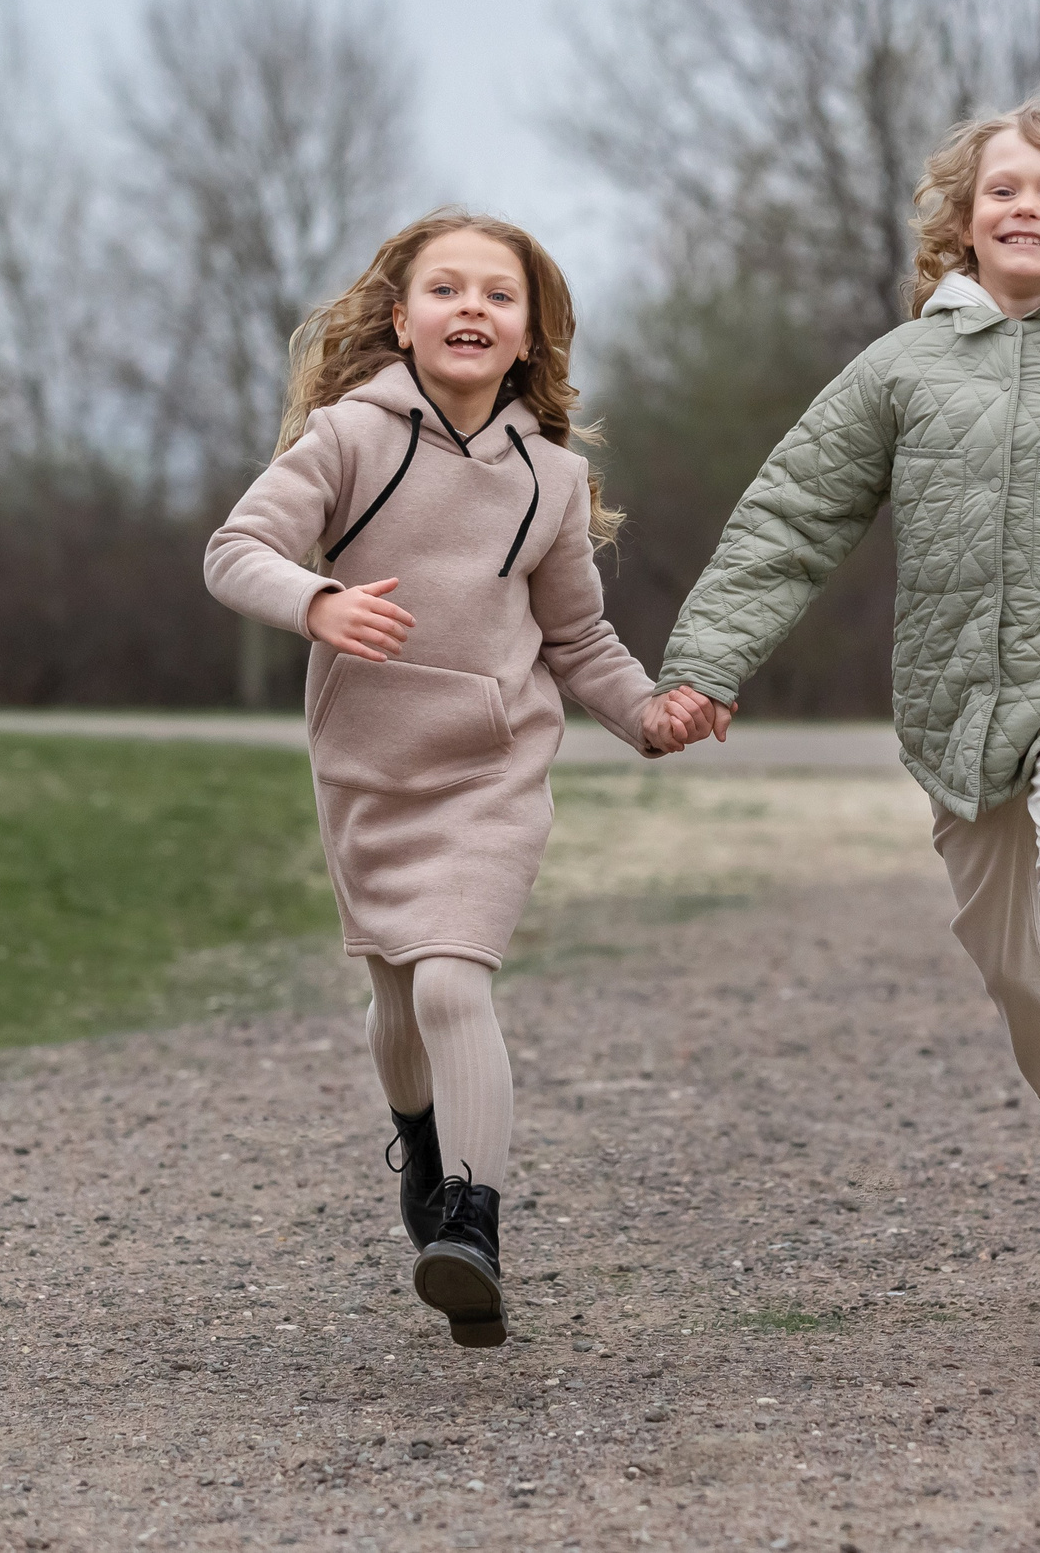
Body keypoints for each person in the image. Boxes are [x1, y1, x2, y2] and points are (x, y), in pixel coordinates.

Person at [653, 99, 1040, 1280]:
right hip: (952, 705)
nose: (1024, 207)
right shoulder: (901, 368)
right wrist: (708, 663)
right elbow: (794, 512)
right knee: (1005, 956)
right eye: (1002, 190)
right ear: (963, 220)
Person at [205, 210, 708, 1345]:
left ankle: (471, 1225)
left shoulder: (549, 480)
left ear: (530, 335)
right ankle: (425, 1157)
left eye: (498, 294)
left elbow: (577, 640)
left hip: (491, 768)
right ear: (401, 319)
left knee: (448, 985)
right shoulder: (347, 441)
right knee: (394, 997)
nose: (470, 308)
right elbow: (235, 552)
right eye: (446, 290)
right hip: (370, 768)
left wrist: (645, 712)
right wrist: (318, 602)